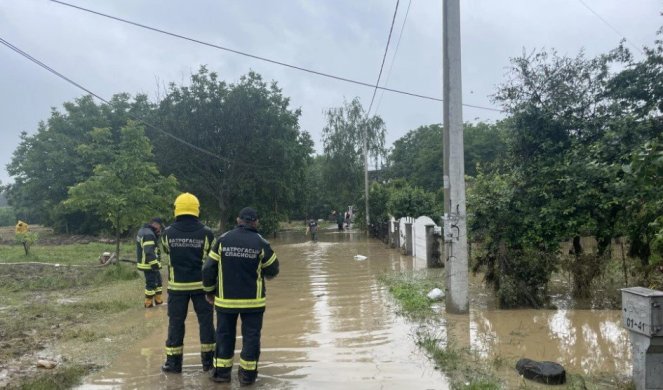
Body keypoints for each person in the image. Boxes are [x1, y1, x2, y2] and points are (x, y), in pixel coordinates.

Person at [202, 207, 280, 385]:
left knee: (224, 336)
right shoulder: (261, 243)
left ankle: (222, 374)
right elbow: (274, 269)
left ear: (238, 220)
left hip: (225, 302)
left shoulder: (223, 240)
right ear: (256, 222)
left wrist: (209, 291)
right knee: (251, 337)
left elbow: (208, 268)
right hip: (253, 303)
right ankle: (247, 377)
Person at [160, 192, 216, 373]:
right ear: (196, 210)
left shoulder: (167, 234)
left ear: (177, 210)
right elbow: (212, 260)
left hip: (177, 289)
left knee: (176, 324)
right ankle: (208, 363)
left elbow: (167, 252)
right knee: (206, 323)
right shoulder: (207, 233)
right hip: (202, 287)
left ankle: (174, 364)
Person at [136, 217, 164, 308]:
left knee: (158, 282)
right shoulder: (149, 234)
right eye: (160, 226)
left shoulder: (144, 231)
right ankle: (148, 304)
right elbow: (149, 251)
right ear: (156, 225)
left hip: (148, 263)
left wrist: (157, 235)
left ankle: (158, 301)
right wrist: (154, 264)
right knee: (151, 284)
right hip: (149, 264)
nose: (160, 229)